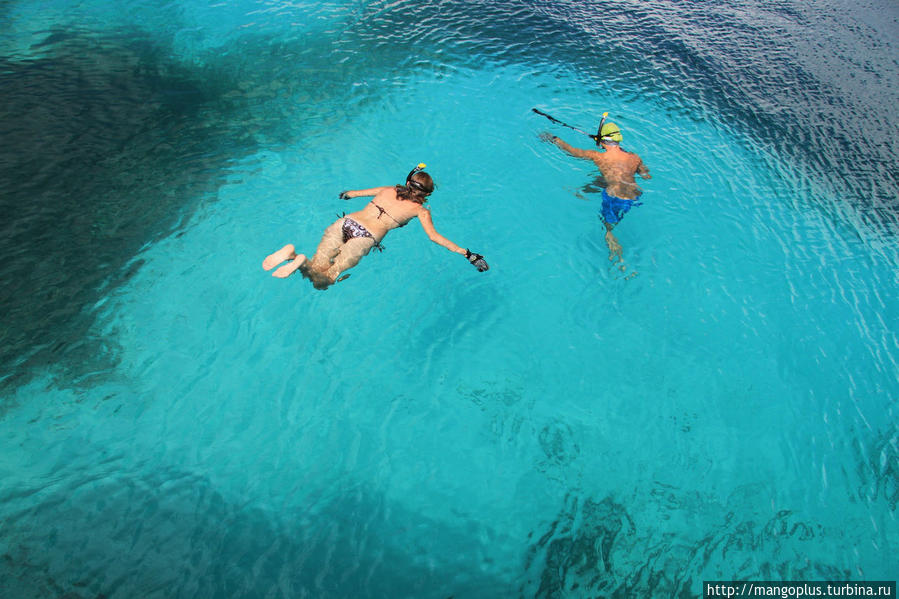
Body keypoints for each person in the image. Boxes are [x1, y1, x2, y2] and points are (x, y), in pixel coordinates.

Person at [262, 164, 489, 289]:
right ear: (426, 195)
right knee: (326, 280)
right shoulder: (420, 211)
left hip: (346, 222)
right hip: (365, 237)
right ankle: (296, 258)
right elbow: (434, 237)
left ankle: (294, 256)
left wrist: (346, 195)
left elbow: (353, 194)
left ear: (408, 182)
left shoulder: (389, 189)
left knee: (319, 264)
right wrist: (468, 254)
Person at [541, 118, 651, 263]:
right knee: (603, 180)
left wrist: (554, 139)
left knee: (608, 227)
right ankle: (584, 191)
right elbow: (646, 176)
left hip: (614, 197)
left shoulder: (598, 156)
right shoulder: (634, 157)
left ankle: (615, 249)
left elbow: (573, 151)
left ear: (602, 141)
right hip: (634, 196)